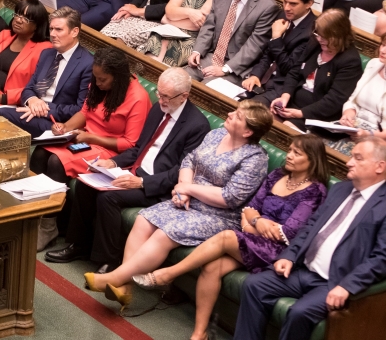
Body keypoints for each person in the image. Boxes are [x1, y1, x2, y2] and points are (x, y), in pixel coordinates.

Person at [136, 133, 329, 340]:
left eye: (297, 153)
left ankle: (168, 274)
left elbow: (287, 234)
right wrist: (256, 222)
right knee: (212, 267)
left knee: (227, 236)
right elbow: (250, 208)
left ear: (312, 160)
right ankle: (199, 334)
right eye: (289, 150)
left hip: (280, 252)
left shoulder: (315, 191)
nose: (289, 155)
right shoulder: (276, 176)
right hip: (251, 238)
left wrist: (254, 222)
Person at [89, 101, 273, 312]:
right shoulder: (216, 135)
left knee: (164, 233)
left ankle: (114, 277)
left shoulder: (255, 159)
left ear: (248, 131)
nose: (230, 114)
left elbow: (229, 197)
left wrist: (188, 189)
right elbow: (189, 161)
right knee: (143, 219)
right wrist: (181, 189)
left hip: (219, 215)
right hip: (189, 199)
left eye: (238, 116)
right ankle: (125, 287)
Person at [45, 68, 211, 267]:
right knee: (84, 184)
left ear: (184, 96)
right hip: (134, 171)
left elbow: (181, 171)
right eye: (159, 93)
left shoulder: (197, 125)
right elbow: (139, 148)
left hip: (157, 186)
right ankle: (77, 246)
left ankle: (109, 261)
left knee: (109, 197)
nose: (160, 100)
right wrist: (113, 163)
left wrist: (141, 182)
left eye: (166, 96)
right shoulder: (159, 109)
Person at [235, 137, 386, 340]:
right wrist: (289, 256)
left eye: (358, 158)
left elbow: (381, 258)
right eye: (351, 157)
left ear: (380, 166)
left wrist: (347, 286)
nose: (349, 162)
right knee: (254, 285)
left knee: (299, 312)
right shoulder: (341, 189)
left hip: (334, 281)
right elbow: (310, 227)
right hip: (302, 270)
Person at [34, 46, 152, 182]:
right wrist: (65, 127)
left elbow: (130, 144)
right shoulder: (98, 86)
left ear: (118, 78)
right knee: (40, 152)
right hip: (85, 139)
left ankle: (56, 203)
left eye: (102, 79)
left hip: (110, 150)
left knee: (57, 161)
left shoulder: (138, 98)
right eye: (95, 77)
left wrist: (91, 138)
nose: (97, 83)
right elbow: (85, 112)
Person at [0, 7, 95, 137]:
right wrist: (32, 101)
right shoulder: (47, 54)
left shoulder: (87, 63)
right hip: (32, 110)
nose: (53, 34)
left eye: (59, 29)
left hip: (57, 123)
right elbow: (29, 88)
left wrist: (44, 109)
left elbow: (80, 109)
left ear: (74, 31)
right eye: (51, 29)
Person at [265, 9, 363, 132]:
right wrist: (284, 98)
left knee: (284, 129)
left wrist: (300, 113)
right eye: (318, 34)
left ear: (338, 36)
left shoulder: (350, 61)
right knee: (261, 118)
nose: (319, 39)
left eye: (324, 37)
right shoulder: (314, 43)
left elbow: (334, 101)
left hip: (317, 116)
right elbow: (294, 72)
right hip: (293, 104)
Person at [186, 0, 280, 83]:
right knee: (177, 79)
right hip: (210, 57)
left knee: (206, 88)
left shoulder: (267, 7)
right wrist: (197, 50)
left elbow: (254, 46)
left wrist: (225, 69)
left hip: (235, 67)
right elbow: (209, 25)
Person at [241, 0, 316, 101]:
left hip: (280, 88)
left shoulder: (312, 32)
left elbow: (288, 67)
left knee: (245, 110)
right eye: (285, 1)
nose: (286, 7)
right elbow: (268, 53)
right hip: (261, 78)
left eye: (293, 4)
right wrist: (256, 75)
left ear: (308, 3)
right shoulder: (283, 15)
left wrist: (276, 38)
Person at [332, 39, 386, 154]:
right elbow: (353, 100)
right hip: (353, 129)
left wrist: (369, 135)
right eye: (383, 45)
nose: (383, 50)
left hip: (378, 140)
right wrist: (348, 116)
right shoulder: (374, 64)